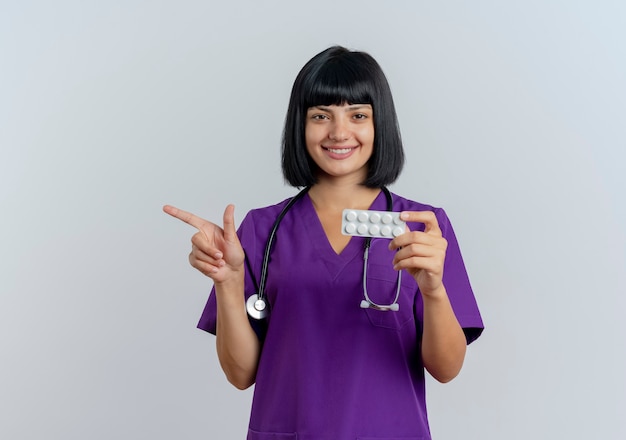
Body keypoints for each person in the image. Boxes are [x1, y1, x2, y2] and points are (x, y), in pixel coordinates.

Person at [164, 46, 483, 439]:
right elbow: (240, 373)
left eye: (358, 115)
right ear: (300, 125)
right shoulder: (261, 229)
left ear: (380, 123)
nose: (338, 132)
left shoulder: (422, 228)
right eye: (320, 116)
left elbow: (446, 369)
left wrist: (433, 290)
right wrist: (227, 282)